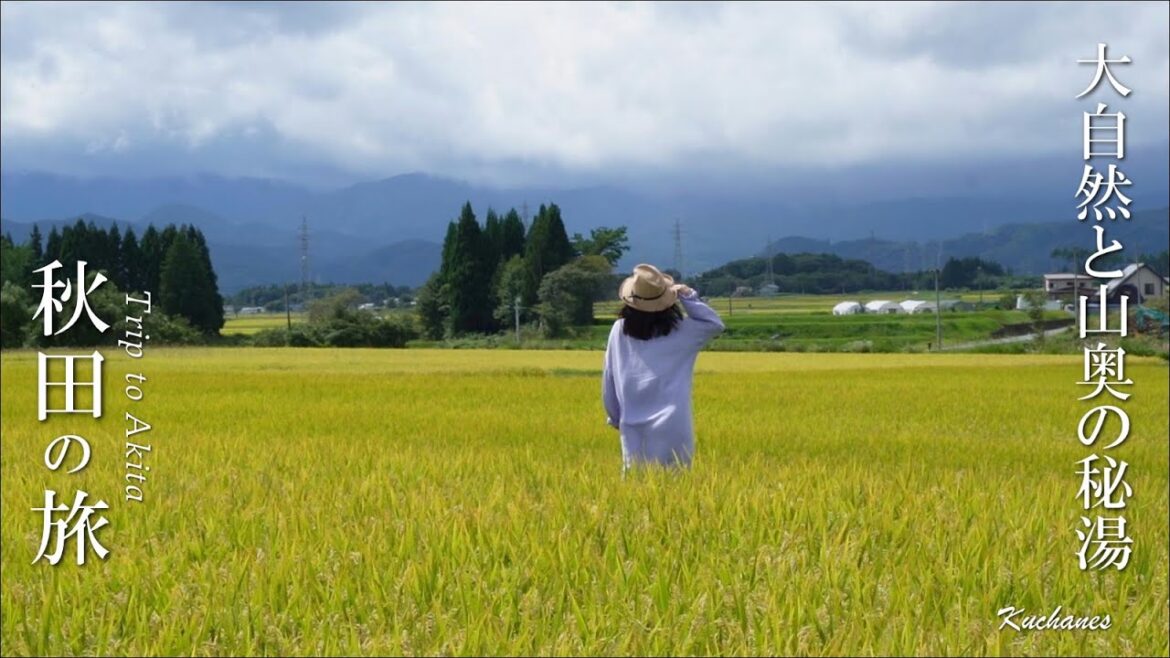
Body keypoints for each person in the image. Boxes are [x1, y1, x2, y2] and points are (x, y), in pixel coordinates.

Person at [602, 263, 725, 471]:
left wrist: (614, 417)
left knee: (635, 484)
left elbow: (610, 377)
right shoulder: (685, 331)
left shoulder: (619, 330)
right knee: (677, 484)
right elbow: (715, 324)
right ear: (668, 301)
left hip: (632, 426)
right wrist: (688, 296)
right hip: (674, 426)